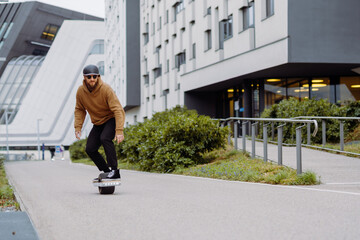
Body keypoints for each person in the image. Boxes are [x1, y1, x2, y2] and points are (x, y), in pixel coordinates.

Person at [74, 64, 125, 181]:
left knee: (105, 138)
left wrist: (119, 130)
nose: (92, 79)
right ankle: (107, 172)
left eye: (94, 76)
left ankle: (115, 171)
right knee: (90, 149)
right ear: (84, 78)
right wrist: (78, 127)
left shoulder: (106, 89)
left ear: (98, 77)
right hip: (98, 122)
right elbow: (79, 109)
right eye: (89, 77)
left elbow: (118, 109)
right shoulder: (81, 91)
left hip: (110, 119)